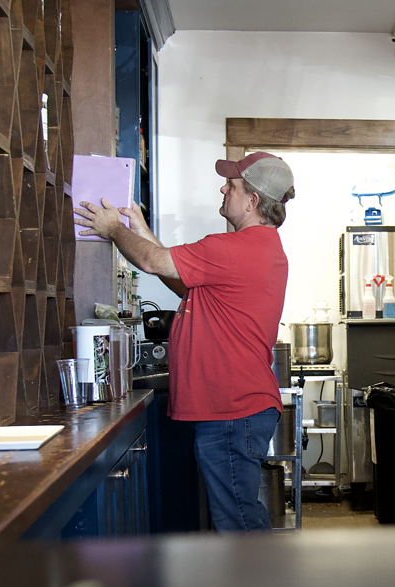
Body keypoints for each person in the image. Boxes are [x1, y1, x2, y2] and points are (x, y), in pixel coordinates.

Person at [73, 152, 295, 532]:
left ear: (252, 201)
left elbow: (154, 263)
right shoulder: (257, 248)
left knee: (238, 522)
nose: (223, 188)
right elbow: (182, 278)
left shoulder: (233, 248)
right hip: (236, 408)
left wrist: (113, 229)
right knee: (238, 517)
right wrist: (140, 230)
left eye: (232, 185)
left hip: (231, 409)